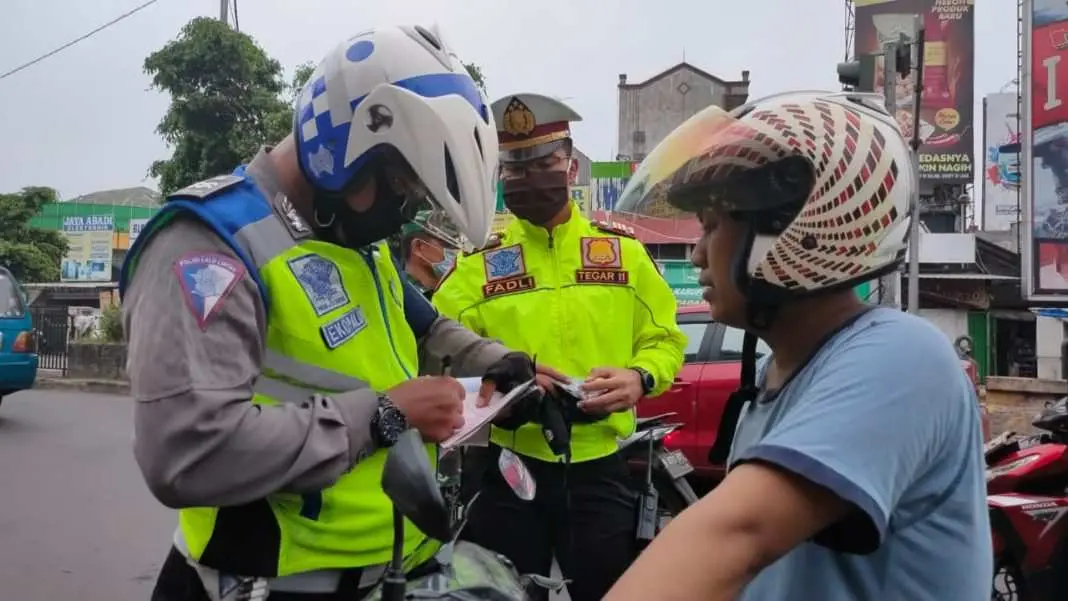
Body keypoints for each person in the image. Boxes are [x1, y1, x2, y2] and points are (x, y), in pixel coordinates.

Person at [119, 26, 561, 601]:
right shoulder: (211, 245)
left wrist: (503, 367)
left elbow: (425, 328)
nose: (404, 213)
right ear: (344, 150)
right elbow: (185, 452)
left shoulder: (355, 241)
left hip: (389, 572)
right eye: (401, 187)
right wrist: (382, 416)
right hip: (261, 585)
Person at [603, 92, 992, 600]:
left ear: (795, 231)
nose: (697, 254)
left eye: (714, 226)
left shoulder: (900, 357)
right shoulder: (774, 379)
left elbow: (736, 535)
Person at [432, 93, 687, 601]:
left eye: (543, 162)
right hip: (507, 469)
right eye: (516, 167)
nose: (530, 177)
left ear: (570, 164)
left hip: (601, 467)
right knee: (503, 593)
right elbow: (432, 353)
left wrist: (641, 377)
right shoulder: (477, 268)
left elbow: (665, 339)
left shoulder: (626, 256)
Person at [390, 211, 459, 299]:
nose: (457, 252)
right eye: (447, 244)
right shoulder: (403, 298)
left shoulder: (454, 287)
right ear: (419, 246)